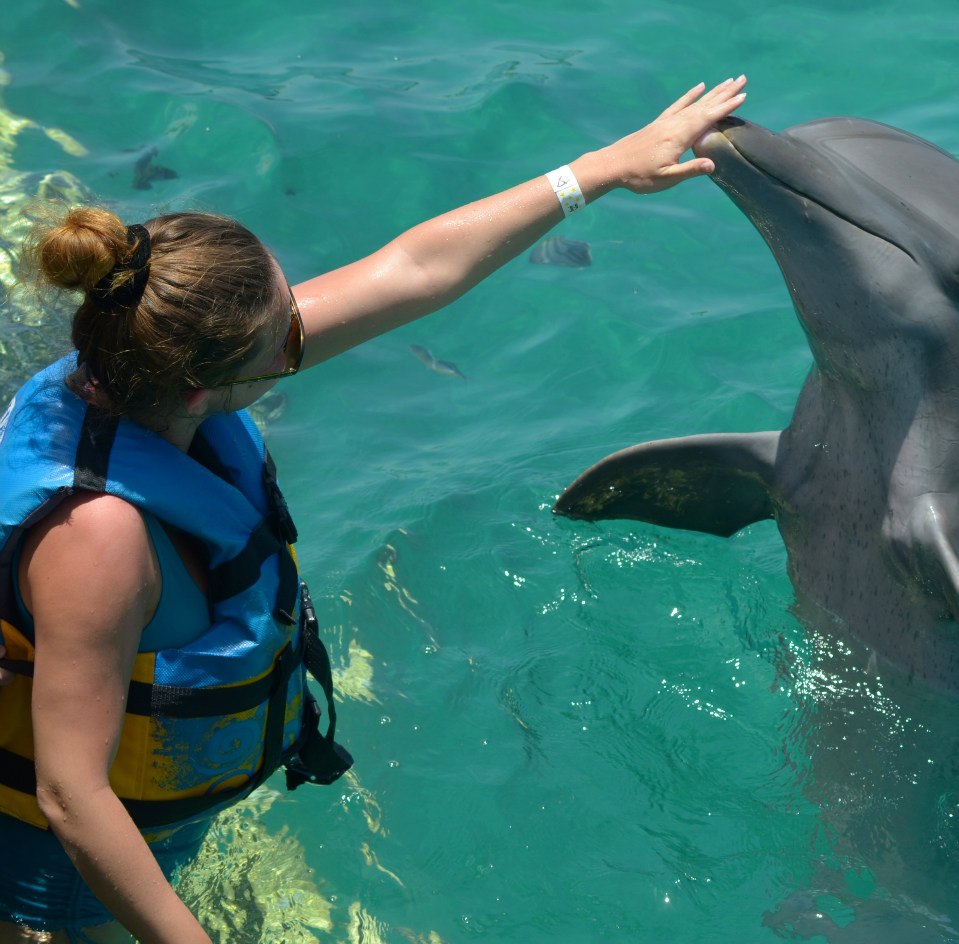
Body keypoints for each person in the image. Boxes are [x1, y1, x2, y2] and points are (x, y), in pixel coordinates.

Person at [0, 76, 748, 944]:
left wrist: (603, 168)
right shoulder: (96, 539)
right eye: (286, 340)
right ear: (206, 390)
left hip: (150, 787)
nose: (306, 332)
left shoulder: (155, 359)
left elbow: (417, 269)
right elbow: (71, 796)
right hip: (39, 845)